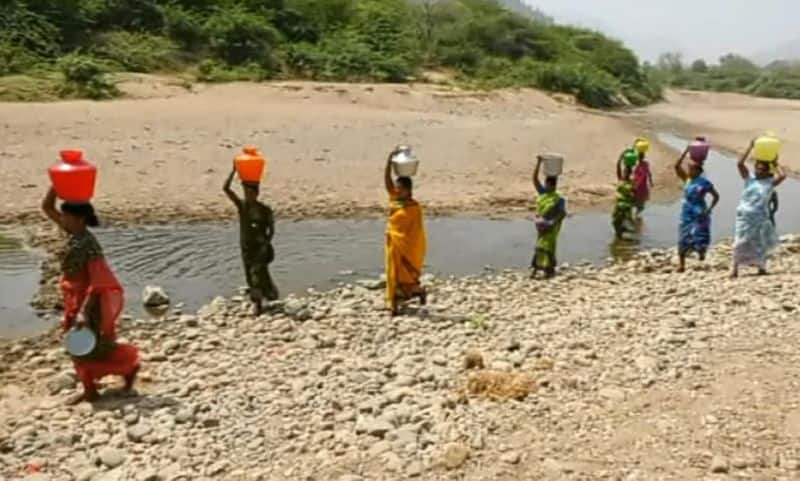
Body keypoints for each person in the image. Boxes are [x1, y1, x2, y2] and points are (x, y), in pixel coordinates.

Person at [41, 188, 139, 405]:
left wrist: (84, 312)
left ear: (80, 219)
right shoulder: (71, 233)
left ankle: (127, 369)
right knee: (81, 345)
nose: (62, 218)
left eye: (66, 215)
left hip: (88, 301)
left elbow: (98, 282)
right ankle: (92, 387)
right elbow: (47, 208)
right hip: (72, 297)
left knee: (87, 346)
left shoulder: (89, 244)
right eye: (63, 215)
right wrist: (56, 186)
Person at [224, 167, 279, 315]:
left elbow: (271, 229)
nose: (247, 195)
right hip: (246, 247)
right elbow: (226, 189)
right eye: (245, 192)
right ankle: (267, 295)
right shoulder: (243, 207)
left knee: (257, 273)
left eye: (250, 193)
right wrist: (234, 170)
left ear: (256, 194)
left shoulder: (265, 210)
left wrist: (266, 244)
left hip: (260, 248)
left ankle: (259, 304)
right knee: (250, 275)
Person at [731, 140, 786, 278]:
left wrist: (774, 162)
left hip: (760, 217)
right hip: (744, 216)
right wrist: (750, 146)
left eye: (762, 169)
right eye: (757, 168)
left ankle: (761, 268)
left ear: (767, 171)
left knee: (759, 242)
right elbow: (739, 164)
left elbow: (783, 175)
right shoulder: (750, 179)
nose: (759, 171)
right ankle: (734, 268)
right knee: (740, 241)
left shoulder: (770, 183)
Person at [384, 148, 427, 316]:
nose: (397, 190)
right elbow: (387, 183)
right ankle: (393, 302)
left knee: (406, 275)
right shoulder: (395, 200)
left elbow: (416, 231)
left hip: (409, 246)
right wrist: (388, 162)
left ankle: (415, 293)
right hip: (394, 243)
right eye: (397, 188)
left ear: (408, 190)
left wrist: (405, 241)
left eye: (400, 189)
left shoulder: (414, 208)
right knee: (392, 272)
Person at [674, 145, 720, 272]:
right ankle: (681, 264)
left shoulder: (704, 183)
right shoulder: (687, 180)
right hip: (686, 212)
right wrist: (685, 152)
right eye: (689, 169)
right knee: (683, 236)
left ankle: (701, 252)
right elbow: (676, 166)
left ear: (698, 171)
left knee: (699, 234)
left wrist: (710, 208)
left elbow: (716, 196)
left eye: (691, 169)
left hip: (700, 212)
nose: (689, 171)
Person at [531, 156, 567, 279]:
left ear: (553, 186)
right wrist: (538, 163)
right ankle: (536, 268)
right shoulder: (543, 193)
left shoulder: (558, 199)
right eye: (546, 184)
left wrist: (552, 222)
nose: (547, 187)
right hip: (541, 226)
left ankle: (548, 268)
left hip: (551, 227)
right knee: (539, 246)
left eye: (550, 185)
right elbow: (534, 179)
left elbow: (562, 213)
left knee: (547, 246)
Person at [612, 152, 636, 239]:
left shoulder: (631, 182)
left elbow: (634, 194)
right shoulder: (621, 179)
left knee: (617, 223)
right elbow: (617, 168)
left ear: (629, 173)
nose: (624, 173)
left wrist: (632, 199)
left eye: (626, 172)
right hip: (618, 205)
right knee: (614, 222)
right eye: (624, 171)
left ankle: (620, 236)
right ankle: (623, 231)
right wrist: (620, 158)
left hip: (625, 206)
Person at [632, 149, 654, 216]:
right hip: (639, 184)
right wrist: (651, 181)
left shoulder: (642, 164)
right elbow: (649, 173)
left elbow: (648, 173)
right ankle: (637, 214)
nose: (640, 158)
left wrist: (651, 181)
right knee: (639, 200)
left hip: (640, 184)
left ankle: (636, 215)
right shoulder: (639, 164)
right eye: (640, 157)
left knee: (639, 200)